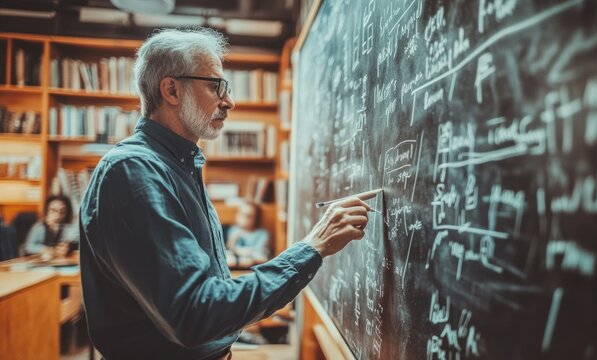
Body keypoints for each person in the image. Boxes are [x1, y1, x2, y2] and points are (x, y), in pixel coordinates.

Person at [79, 27, 371, 360]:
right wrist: (313, 247)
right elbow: (196, 313)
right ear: (171, 90)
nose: (229, 101)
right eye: (215, 85)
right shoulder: (134, 171)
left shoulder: (179, 166)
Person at [24, 194, 78, 259]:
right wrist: (45, 249)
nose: (58, 215)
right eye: (53, 210)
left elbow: (75, 241)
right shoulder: (40, 227)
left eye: (62, 211)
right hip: (41, 263)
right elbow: (29, 247)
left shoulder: (68, 228)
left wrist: (68, 247)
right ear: (47, 211)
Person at [226, 200, 269, 268]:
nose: (244, 218)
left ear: (255, 218)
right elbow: (230, 248)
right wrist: (233, 239)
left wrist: (247, 252)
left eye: (248, 216)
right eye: (242, 214)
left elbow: (260, 253)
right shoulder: (234, 230)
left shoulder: (261, 234)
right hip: (236, 264)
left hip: (253, 264)